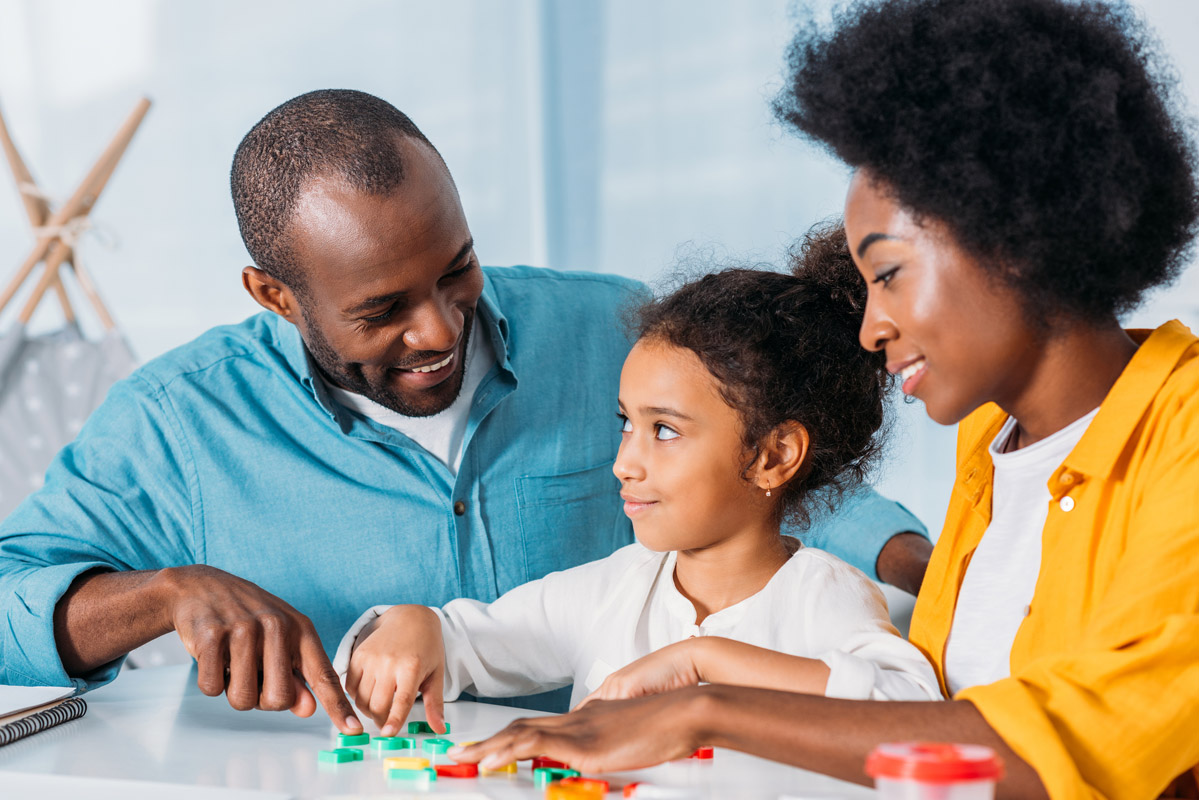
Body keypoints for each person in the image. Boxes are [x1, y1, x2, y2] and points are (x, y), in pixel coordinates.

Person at [449, 1, 1199, 797]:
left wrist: (705, 708)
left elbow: (1068, 745)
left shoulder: (1182, 438)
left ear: (1013, 237)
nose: (872, 327)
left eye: (889, 274)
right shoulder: (991, 439)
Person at [0, 91, 928, 730]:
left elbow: (781, 473)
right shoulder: (175, 424)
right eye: (381, 312)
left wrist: (932, 571)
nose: (440, 328)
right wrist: (160, 595)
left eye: (455, 270)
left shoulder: (618, 333)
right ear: (274, 296)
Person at [334, 229, 941, 736]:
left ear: (773, 456)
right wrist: (417, 626)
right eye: (626, 423)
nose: (625, 462)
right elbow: (465, 642)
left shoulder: (824, 596)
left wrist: (704, 662)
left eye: (666, 431)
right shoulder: (612, 589)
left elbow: (916, 712)